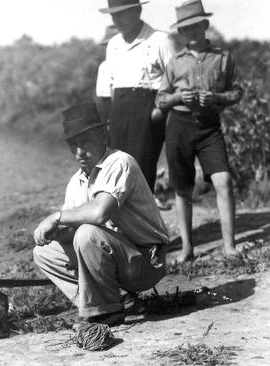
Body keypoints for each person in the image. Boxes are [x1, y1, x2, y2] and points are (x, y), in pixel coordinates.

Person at [32, 102, 169, 326]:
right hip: (118, 259)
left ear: (103, 135)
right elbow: (75, 231)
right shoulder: (75, 182)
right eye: (73, 144)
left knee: (87, 233)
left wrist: (56, 217)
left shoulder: (119, 162)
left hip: (145, 262)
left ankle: (106, 312)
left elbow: (98, 213)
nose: (79, 152)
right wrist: (58, 233)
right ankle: (112, 301)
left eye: (85, 141)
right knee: (44, 252)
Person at [156, 0, 243, 263]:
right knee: (182, 190)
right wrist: (178, 97)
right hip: (179, 128)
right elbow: (161, 99)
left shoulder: (223, 58)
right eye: (185, 28)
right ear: (180, 33)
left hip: (209, 128)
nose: (191, 32)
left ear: (205, 25)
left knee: (223, 181)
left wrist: (215, 97)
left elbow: (237, 91)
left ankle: (230, 247)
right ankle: (187, 249)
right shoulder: (174, 62)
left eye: (195, 26)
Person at [98, 0, 176, 210]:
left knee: (142, 172)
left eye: (122, 14)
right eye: (113, 15)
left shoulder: (160, 40)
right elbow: (111, 87)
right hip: (120, 112)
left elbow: (175, 80)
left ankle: (150, 236)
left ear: (138, 11)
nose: (117, 20)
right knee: (117, 172)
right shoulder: (114, 44)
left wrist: (158, 112)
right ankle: (126, 235)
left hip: (148, 111)